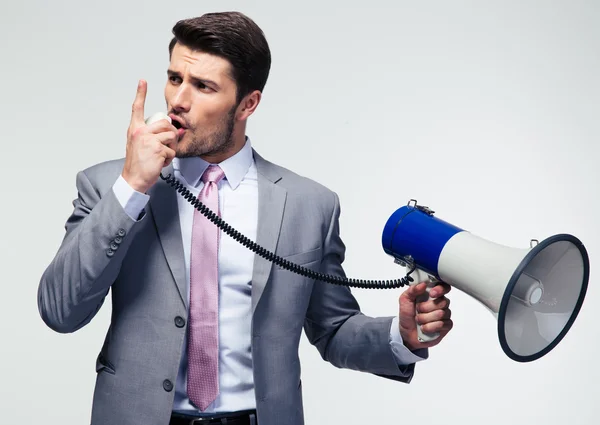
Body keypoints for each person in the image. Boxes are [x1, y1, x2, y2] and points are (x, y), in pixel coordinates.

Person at [37, 11, 453, 425]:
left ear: (247, 104)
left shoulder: (311, 205)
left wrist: (401, 337)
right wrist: (131, 187)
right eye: (175, 78)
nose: (179, 100)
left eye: (203, 86)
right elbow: (60, 310)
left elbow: (334, 328)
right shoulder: (107, 185)